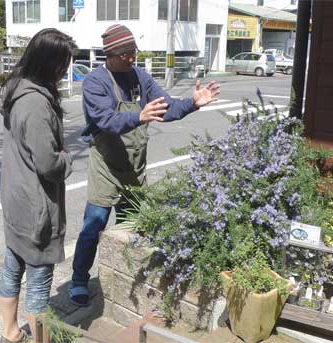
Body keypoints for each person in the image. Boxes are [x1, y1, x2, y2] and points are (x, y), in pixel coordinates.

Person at [68, 24, 221, 306]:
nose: (130, 57)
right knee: (94, 224)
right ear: (110, 54)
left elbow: (166, 107)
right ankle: (79, 279)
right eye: (124, 53)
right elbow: (104, 121)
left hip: (135, 168)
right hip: (106, 166)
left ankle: (123, 275)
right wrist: (139, 116)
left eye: (132, 51)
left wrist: (193, 103)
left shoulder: (140, 76)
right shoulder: (95, 82)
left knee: (132, 227)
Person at [0, 28, 76, 343]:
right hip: (36, 208)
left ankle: (10, 333)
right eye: (63, 64)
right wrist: (67, 158)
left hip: (15, 199)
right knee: (40, 284)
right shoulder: (37, 105)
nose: (66, 70)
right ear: (49, 64)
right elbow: (49, 165)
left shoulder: (16, 90)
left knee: (12, 268)